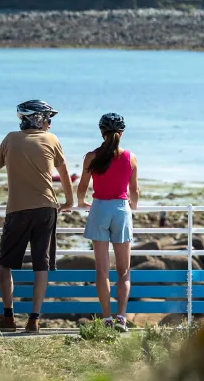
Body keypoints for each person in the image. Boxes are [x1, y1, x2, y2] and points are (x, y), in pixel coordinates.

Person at [0, 100, 74, 333]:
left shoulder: (11, 139)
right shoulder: (53, 140)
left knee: (4, 264)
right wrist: (70, 202)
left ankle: (9, 317)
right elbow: (64, 174)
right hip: (47, 209)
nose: (50, 122)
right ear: (37, 118)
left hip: (17, 210)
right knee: (41, 266)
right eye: (47, 117)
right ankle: (34, 320)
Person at [77, 113, 139, 333]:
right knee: (124, 271)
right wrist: (134, 205)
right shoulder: (130, 157)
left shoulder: (91, 157)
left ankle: (106, 318)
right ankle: (121, 317)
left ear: (101, 132)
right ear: (121, 134)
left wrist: (81, 202)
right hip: (121, 211)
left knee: (102, 270)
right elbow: (134, 191)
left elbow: (82, 188)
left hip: (99, 209)